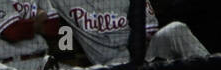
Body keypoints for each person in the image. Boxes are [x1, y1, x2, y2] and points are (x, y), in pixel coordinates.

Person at [59, 0, 207, 65]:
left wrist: (135, 55)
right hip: (109, 68)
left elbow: (149, 29)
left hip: (146, 56)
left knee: (176, 29)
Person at [0, 0, 63, 70]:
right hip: (7, 66)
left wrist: (25, 23)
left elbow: (53, 27)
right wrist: (38, 17)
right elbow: (13, 32)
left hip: (43, 61)